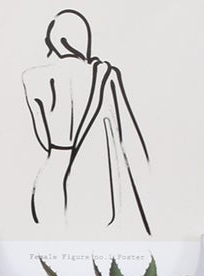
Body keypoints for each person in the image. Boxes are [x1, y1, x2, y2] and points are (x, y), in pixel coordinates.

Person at [23, 9, 151, 234]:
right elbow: (125, 137)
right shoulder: (104, 74)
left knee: (51, 240)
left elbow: (43, 138)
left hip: (50, 174)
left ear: (57, 40)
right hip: (88, 181)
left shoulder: (32, 78)